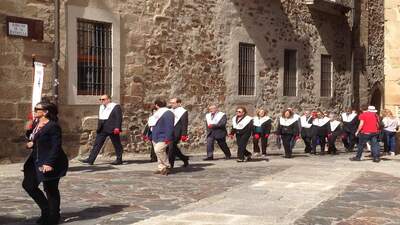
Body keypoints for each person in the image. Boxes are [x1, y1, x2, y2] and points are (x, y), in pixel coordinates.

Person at [23, 102, 68, 225]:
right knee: (28, 185)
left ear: (46, 112)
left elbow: (56, 146)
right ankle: (46, 210)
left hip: (50, 161)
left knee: (50, 189)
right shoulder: (37, 123)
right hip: (36, 160)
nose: (35, 110)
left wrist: (49, 163)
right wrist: (28, 131)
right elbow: (34, 138)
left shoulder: (53, 126)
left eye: (37, 109)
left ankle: (54, 216)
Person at [80, 95, 123, 165]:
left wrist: (117, 127)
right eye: (100, 99)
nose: (101, 101)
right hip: (102, 128)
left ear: (108, 99)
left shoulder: (115, 106)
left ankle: (119, 159)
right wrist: (98, 127)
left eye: (103, 99)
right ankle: (90, 159)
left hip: (112, 128)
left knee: (117, 144)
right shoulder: (101, 107)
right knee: (97, 144)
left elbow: (119, 118)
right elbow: (101, 118)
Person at [149, 99, 175, 175]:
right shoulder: (158, 113)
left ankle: (167, 165)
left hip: (163, 136)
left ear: (157, 105)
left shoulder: (168, 113)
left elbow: (169, 126)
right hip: (156, 135)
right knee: (158, 153)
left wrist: (168, 137)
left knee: (158, 150)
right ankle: (161, 168)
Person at [168, 98, 190, 168]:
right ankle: (184, 158)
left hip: (176, 132)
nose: (171, 104)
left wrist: (184, 135)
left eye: (173, 103)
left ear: (178, 103)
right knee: (173, 148)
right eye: (171, 103)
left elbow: (184, 124)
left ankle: (171, 165)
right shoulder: (169, 110)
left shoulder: (183, 111)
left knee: (171, 147)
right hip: (169, 131)